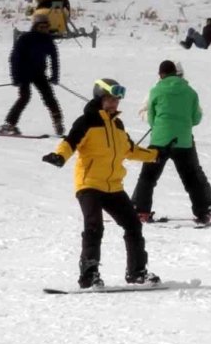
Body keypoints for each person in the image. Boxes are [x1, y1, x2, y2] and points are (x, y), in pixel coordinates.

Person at [41, 78, 162, 289]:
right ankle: (89, 275)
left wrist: (156, 155)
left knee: (133, 225)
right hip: (89, 184)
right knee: (94, 226)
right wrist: (59, 156)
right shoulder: (87, 121)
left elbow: (130, 150)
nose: (115, 103)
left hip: (113, 186)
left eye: (117, 99)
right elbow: (70, 142)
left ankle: (137, 273)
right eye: (110, 98)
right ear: (99, 98)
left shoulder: (117, 124)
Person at [132, 60, 211, 226]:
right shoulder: (190, 92)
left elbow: (151, 117)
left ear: (161, 74)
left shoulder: (156, 90)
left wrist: (161, 126)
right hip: (184, 141)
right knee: (191, 178)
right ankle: (203, 212)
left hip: (160, 140)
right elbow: (196, 118)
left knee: (148, 177)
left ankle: (141, 210)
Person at [0, 13, 64, 136]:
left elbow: (54, 59)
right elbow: (15, 58)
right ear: (35, 26)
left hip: (39, 73)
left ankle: (58, 122)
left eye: (46, 26)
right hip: (24, 74)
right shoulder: (25, 39)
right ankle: (9, 124)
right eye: (41, 26)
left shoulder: (48, 40)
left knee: (49, 97)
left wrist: (55, 75)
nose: (44, 29)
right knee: (25, 97)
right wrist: (15, 77)